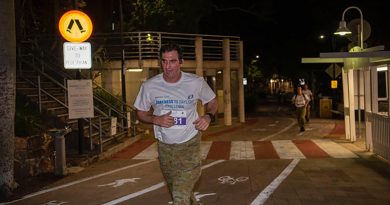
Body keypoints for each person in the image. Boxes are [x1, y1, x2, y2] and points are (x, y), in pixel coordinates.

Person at [133, 42, 218, 205]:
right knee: (177, 189)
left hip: (190, 144)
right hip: (165, 146)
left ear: (181, 62)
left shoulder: (195, 82)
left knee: (180, 193)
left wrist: (208, 117)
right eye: (164, 61)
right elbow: (141, 112)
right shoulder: (150, 86)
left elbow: (213, 101)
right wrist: (155, 119)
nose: (168, 66)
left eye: (172, 61)